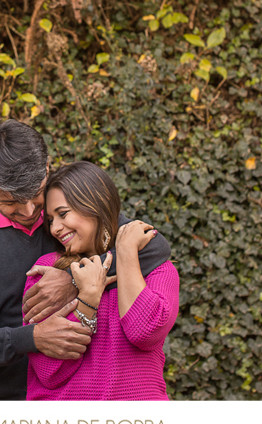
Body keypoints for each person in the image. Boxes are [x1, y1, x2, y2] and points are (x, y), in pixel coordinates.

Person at [0, 119, 172, 400]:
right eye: (11, 201)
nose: (27, 210)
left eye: (35, 193)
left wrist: (72, 279)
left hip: (74, 397)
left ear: (46, 168)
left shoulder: (66, 218)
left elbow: (151, 247)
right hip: (1, 401)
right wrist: (33, 338)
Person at [24, 161, 179, 400]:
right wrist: (87, 298)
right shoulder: (49, 272)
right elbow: (49, 371)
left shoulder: (157, 270)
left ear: (94, 204)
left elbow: (145, 332)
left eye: (63, 214)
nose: (55, 228)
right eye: (50, 220)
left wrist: (126, 250)